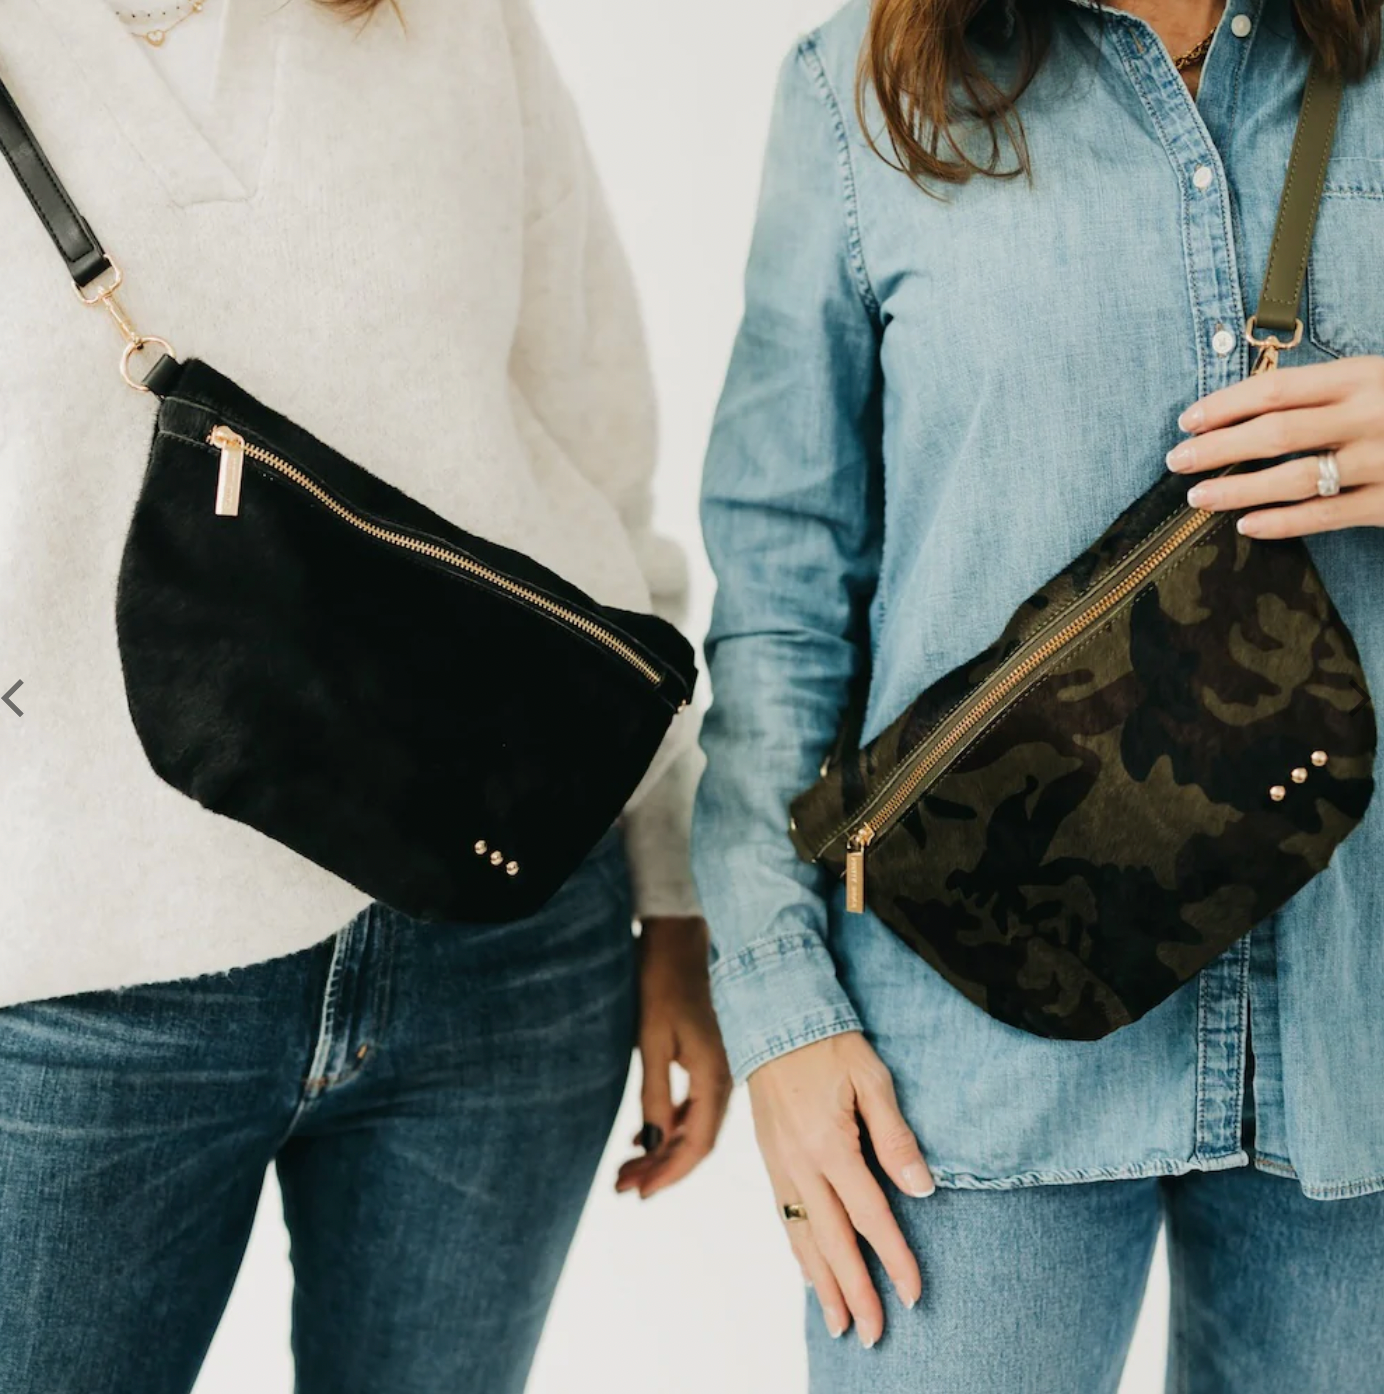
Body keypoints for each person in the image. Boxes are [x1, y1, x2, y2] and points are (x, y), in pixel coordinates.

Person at [0, 1, 730, 1390]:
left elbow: (597, 442)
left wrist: (673, 875)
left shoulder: (450, 21)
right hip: (72, 985)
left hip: (509, 937)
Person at [694, 0, 1384, 1386]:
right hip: (964, 1061)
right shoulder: (855, 94)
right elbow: (781, 600)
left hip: (1356, 1036)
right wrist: (780, 1013)